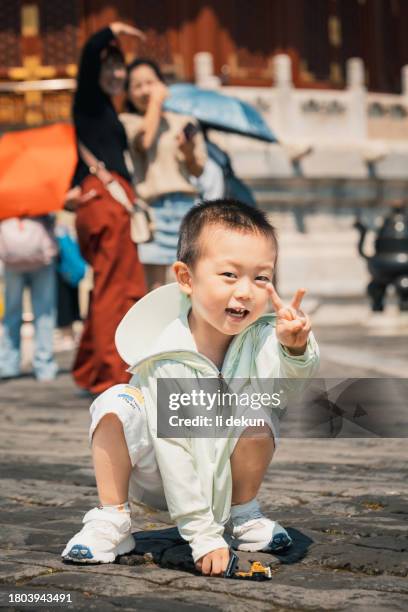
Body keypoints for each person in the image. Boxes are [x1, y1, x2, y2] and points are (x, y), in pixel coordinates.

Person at [61, 199, 319, 575]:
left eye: (261, 277)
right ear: (186, 278)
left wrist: (294, 349)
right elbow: (174, 453)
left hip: (223, 468)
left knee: (260, 408)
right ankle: (111, 519)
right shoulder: (169, 354)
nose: (246, 291)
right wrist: (203, 536)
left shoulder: (263, 337)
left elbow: (290, 392)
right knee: (115, 402)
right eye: (230, 275)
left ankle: (243, 515)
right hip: (157, 468)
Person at [68, 23, 147, 396]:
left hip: (111, 198)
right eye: (109, 67)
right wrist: (111, 31)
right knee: (115, 289)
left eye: (120, 67)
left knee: (111, 285)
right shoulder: (88, 101)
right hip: (105, 200)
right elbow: (87, 59)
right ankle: (112, 374)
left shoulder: (104, 111)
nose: (117, 74)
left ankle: (90, 368)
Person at [120, 58, 207, 289]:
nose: (145, 90)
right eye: (137, 85)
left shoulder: (184, 121)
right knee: (156, 289)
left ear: (161, 83)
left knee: (191, 285)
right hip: (152, 213)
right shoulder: (128, 122)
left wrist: (187, 152)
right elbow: (145, 142)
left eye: (150, 82)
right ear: (127, 93)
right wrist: (156, 103)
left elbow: (197, 169)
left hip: (186, 207)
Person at [0, 215, 58, 381]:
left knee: (11, 312)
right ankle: (44, 365)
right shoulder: (41, 196)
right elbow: (52, 219)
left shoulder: (5, 194)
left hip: (11, 258)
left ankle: (8, 364)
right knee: (45, 313)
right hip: (42, 259)